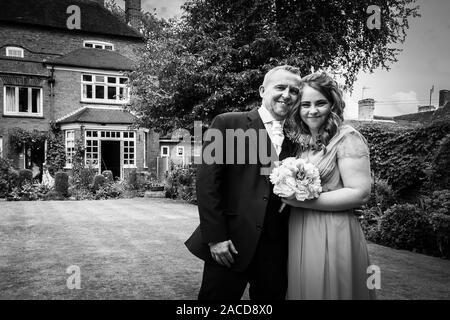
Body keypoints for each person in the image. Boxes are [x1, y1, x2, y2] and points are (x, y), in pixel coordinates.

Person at [185, 65, 302, 300]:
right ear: (262, 90)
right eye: (280, 87)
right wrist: (216, 237)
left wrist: (342, 207)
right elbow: (207, 183)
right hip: (230, 244)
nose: (287, 94)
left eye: (294, 90)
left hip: (275, 251)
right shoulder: (227, 123)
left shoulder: (297, 139)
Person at [282, 72, 376, 300]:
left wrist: (298, 199)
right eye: (305, 104)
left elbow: (359, 193)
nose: (312, 111)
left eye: (320, 103)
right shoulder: (303, 143)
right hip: (300, 228)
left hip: (333, 230)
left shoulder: (347, 138)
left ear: (332, 104)